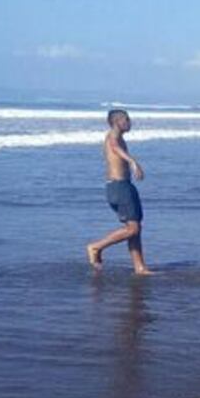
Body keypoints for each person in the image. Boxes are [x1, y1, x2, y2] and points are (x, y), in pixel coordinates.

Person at [87, 109, 152, 275]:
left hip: (125, 185)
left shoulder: (120, 138)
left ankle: (140, 267)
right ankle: (96, 247)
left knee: (135, 228)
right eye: (127, 120)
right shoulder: (112, 136)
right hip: (118, 187)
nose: (130, 123)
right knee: (133, 229)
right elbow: (115, 148)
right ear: (117, 122)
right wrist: (132, 161)